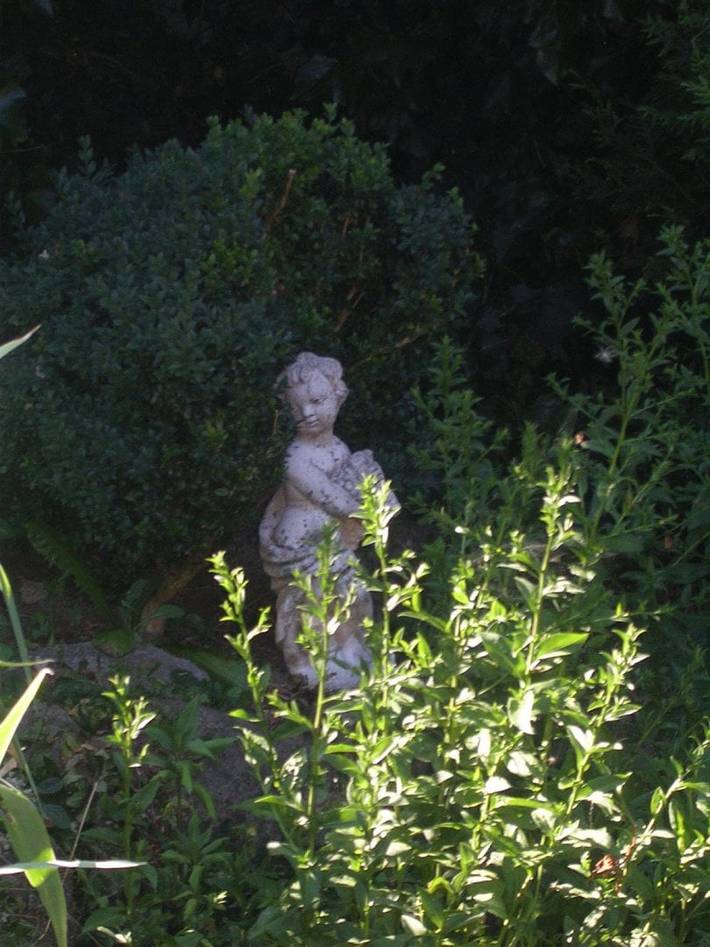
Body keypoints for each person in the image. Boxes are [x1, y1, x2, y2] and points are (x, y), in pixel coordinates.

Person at [259, 352, 396, 689]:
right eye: (297, 407)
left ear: (338, 397)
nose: (307, 413)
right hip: (303, 548)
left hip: (333, 545)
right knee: (311, 605)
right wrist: (374, 498)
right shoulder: (295, 457)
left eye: (317, 401)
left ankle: (351, 652)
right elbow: (335, 500)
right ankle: (311, 663)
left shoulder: (338, 447)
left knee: (352, 596)